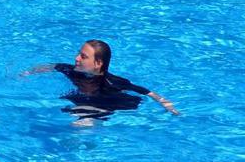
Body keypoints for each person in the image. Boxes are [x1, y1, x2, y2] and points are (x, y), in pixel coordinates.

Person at [24, 39, 179, 117]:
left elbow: (147, 92)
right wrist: (26, 73)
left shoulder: (113, 82)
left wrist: (167, 105)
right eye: (78, 53)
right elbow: (52, 66)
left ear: (98, 63)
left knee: (83, 123)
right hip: (84, 99)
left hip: (105, 102)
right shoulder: (72, 70)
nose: (76, 58)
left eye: (83, 56)